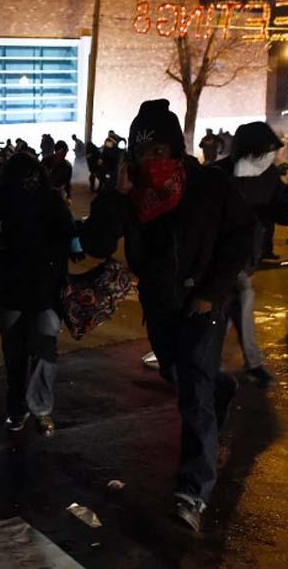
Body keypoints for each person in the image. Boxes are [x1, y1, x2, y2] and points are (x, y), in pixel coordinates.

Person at [81, 99, 255, 532]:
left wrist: (213, 291)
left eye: (158, 150)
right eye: (142, 151)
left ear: (176, 150)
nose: (150, 160)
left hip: (203, 303)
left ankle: (192, 492)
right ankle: (221, 387)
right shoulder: (131, 193)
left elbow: (242, 235)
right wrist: (113, 196)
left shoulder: (209, 186)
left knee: (193, 391)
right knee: (183, 377)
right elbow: (96, 245)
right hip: (160, 306)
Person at [0, 153, 74, 437]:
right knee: (16, 354)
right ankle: (18, 409)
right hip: (10, 292)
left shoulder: (52, 201)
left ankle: (40, 408)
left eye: (32, 177)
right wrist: (6, 241)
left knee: (44, 349)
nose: (28, 184)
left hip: (44, 291)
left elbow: (70, 235)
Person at [213, 122, 288, 388]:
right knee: (239, 301)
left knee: (231, 309)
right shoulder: (218, 175)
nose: (271, 156)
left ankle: (213, 365)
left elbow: (280, 207)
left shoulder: (268, 176)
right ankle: (246, 365)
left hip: (245, 258)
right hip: (217, 259)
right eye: (266, 150)